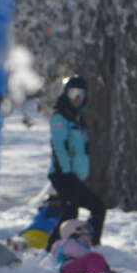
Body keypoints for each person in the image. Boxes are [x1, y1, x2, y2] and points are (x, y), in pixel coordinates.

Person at [46, 75, 107, 248]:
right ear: (66, 94)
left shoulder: (77, 118)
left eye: (80, 93)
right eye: (73, 93)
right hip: (62, 174)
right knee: (71, 211)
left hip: (74, 175)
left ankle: (90, 244)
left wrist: (79, 172)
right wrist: (67, 172)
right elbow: (59, 147)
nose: (76, 98)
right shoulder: (60, 118)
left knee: (96, 208)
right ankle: (52, 248)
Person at [50, 218, 116, 273]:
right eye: (86, 234)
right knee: (93, 257)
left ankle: (102, 272)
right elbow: (83, 255)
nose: (90, 237)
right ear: (74, 234)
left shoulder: (75, 244)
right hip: (67, 269)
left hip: (73, 269)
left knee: (94, 257)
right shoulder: (69, 243)